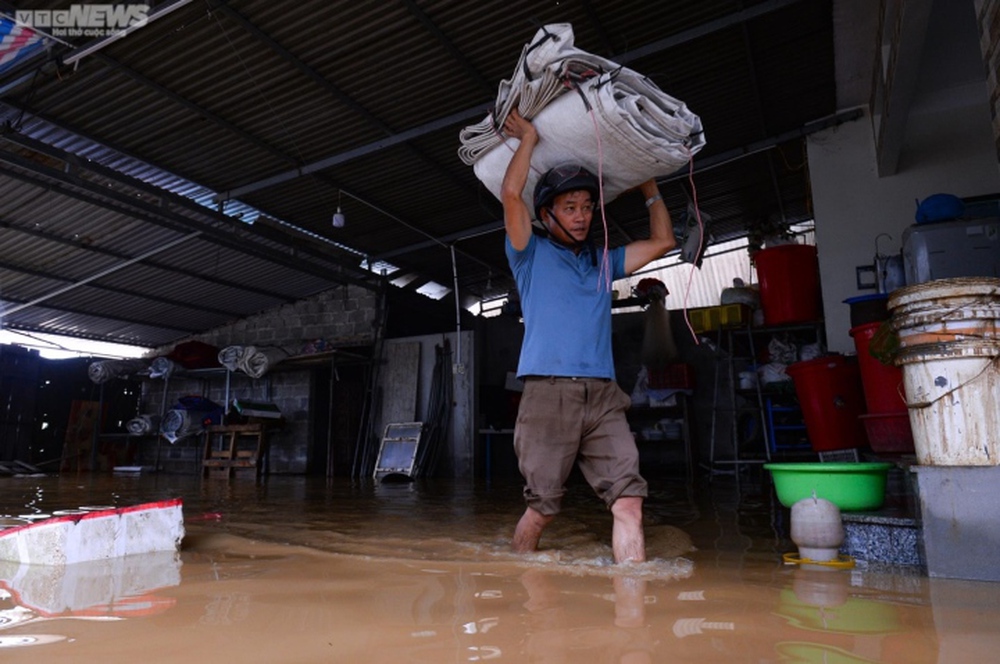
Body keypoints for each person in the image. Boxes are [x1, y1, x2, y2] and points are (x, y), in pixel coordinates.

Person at [500, 108, 677, 564]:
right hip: (547, 394)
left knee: (628, 502)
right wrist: (530, 139)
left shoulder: (604, 262)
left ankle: (632, 609)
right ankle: (519, 576)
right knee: (542, 509)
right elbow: (510, 193)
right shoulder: (528, 253)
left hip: (602, 396)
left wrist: (650, 187)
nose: (581, 218)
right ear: (548, 215)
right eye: (569, 208)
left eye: (586, 207)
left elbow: (662, 244)